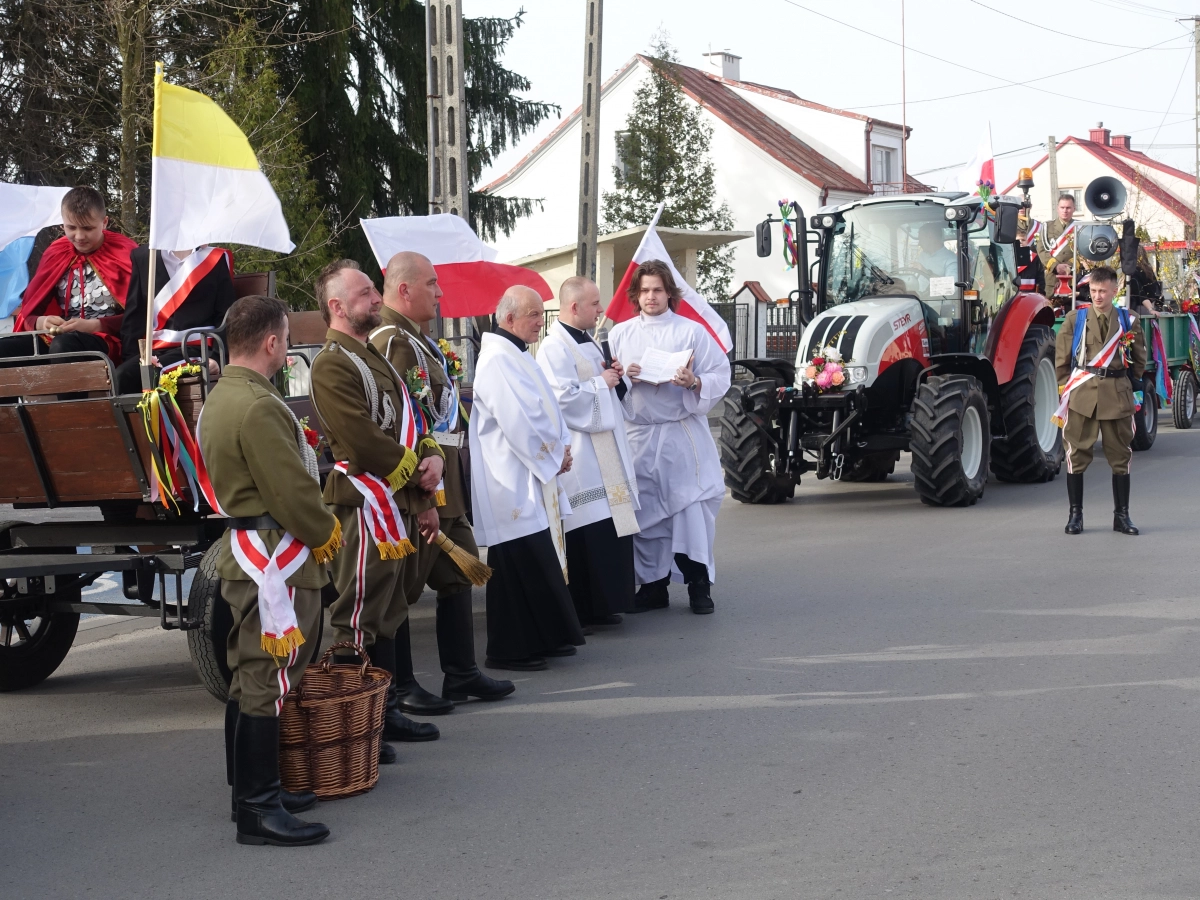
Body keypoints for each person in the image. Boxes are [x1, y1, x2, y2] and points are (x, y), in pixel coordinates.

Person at [198, 295, 341, 847]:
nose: (287, 350)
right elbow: (291, 491)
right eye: (286, 340)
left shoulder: (223, 396)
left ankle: (250, 791)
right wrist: (329, 534)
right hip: (273, 554)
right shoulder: (259, 404)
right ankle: (258, 808)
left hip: (247, 547)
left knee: (248, 671)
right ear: (272, 341)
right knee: (268, 675)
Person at [309, 259, 445, 753]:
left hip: (393, 500)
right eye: (365, 292)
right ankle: (352, 729)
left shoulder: (373, 356)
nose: (375, 298)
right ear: (337, 306)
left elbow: (411, 418)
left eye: (373, 289)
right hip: (363, 505)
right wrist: (416, 470)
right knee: (359, 617)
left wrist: (431, 456)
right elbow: (362, 441)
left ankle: (383, 715)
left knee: (388, 610)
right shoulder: (332, 363)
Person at [368, 251, 515, 707]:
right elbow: (400, 423)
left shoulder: (416, 340)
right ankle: (401, 686)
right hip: (420, 483)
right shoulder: (392, 341)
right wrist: (420, 490)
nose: (440, 292)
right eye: (431, 284)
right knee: (402, 586)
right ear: (404, 289)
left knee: (460, 571)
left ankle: (462, 673)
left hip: (442, 475)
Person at [470, 285, 585, 670]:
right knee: (517, 562)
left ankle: (544, 637)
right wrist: (554, 456)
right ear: (509, 318)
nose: (540, 321)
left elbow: (546, 407)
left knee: (535, 557)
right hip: (511, 477)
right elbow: (520, 420)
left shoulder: (517, 354)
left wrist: (562, 446)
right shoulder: (497, 360)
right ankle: (509, 649)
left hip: (531, 471)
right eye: (534, 314)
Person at [609, 260, 731, 614]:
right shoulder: (620, 334)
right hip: (639, 437)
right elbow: (609, 384)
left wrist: (694, 382)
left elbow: (719, 373)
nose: (651, 297)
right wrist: (626, 377)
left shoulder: (691, 332)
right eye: (645, 290)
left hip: (680, 435)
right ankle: (653, 586)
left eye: (658, 290)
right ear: (636, 294)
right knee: (646, 515)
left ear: (669, 293)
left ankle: (698, 585)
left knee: (690, 511)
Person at [536, 276, 640, 627]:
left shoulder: (588, 340)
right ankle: (583, 609)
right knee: (586, 531)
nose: (601, 310)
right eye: (595, 304)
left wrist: (616, 377)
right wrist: (600, 383)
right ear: (574, 306)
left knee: (607, 528)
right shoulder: (554, 347)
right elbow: (560, 399)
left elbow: (604, 388)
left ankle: (606, 604)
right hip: (582, 457)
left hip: (605, 453)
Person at [1054, 266, 1147, 536]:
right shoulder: (1076, 319)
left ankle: (1122, 516)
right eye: (1093, 291)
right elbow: (1062, 359)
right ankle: (1075, 516)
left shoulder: (1128, 320)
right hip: (1082, 396)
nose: (1097, 296)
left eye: (1103, 291)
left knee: (1120, 456)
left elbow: (1139, 358)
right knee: (1076, 455)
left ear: (1114, 291)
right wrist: (1067, 389)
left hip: (1117, 396)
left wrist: (1131, 383)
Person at [2, 186, 136, 360]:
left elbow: (144, 315)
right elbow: (30, 311)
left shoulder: (125, 252)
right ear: (62, 224)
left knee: (64, 346)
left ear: (104, 223)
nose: (79, 236)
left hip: (109, 340)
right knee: (4, 349)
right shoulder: (56, 252)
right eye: (71, 227)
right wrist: (40, 322)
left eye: (87, 228)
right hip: (60, 337)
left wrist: (98, 325)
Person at [114, 245, 236, 393]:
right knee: (122, 375)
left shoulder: (214, 258)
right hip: (156, 348)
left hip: (197, 348)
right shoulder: (144, 257)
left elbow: (226, 315)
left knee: (156, 372)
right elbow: (135, 315)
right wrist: (131, 358)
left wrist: (217, 357)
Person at [1041, 193, 1078, 286]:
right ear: (1057, 208)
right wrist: (1056, 266)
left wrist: (1070, 265)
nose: (1065, 210)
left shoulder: (1080, 227)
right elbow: (1041, 250)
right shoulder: (1047, 226)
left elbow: (1084, 253)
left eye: (1068, 208)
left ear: (1074, 209)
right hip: (1052, 277)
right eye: (1062, 207)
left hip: (1073, 278)